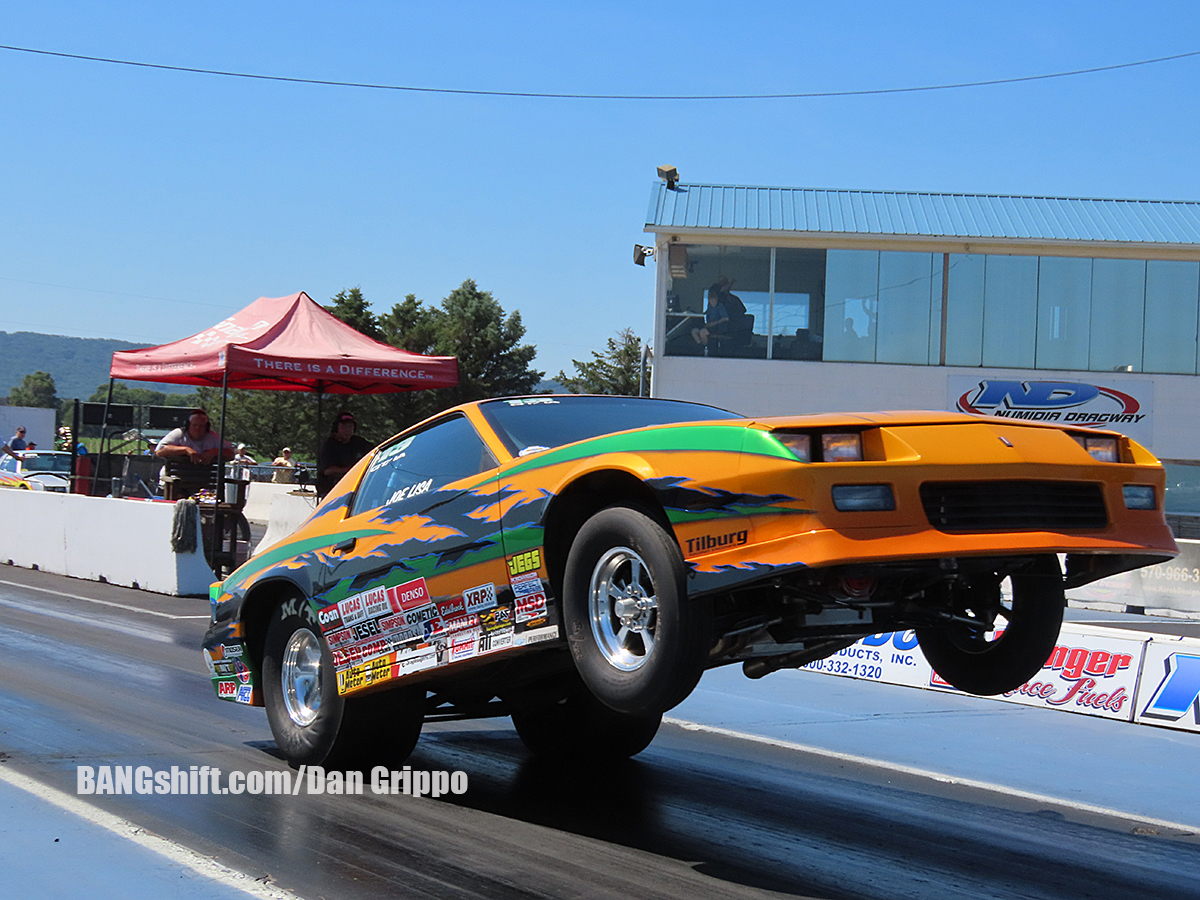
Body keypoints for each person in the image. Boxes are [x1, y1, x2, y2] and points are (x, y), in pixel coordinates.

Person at [317, 411, 371, 497]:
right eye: (343, 427)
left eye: (350, 427)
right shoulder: (329, 445)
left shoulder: (359, 442)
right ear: (336, 429)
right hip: (331, 491)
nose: (347, 430)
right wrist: (352, 470)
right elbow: (327, 471)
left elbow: (375, 451)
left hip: (354, 489)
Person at [155, 409, 234, 466]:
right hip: (176, 478)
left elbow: (231, 454)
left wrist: (215, 451)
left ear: (206, 427)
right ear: (188, 425)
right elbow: (159, 451)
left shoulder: (213, 437)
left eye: (201, 426)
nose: (197, 428)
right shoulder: (179, 433)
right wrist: (186, 450)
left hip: (203, 480)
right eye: (194, 425)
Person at [692, 280, 731, 348]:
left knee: (702, 332)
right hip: (709, 327)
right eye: (710, 299)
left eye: (714, 299)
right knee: (694, 331)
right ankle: (701, 347)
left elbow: (726, 318)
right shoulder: (710, 307)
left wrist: (714, 323)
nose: (712, 301)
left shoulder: (720, 306)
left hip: (717, 328)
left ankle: (707, 348)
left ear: (717, 299)